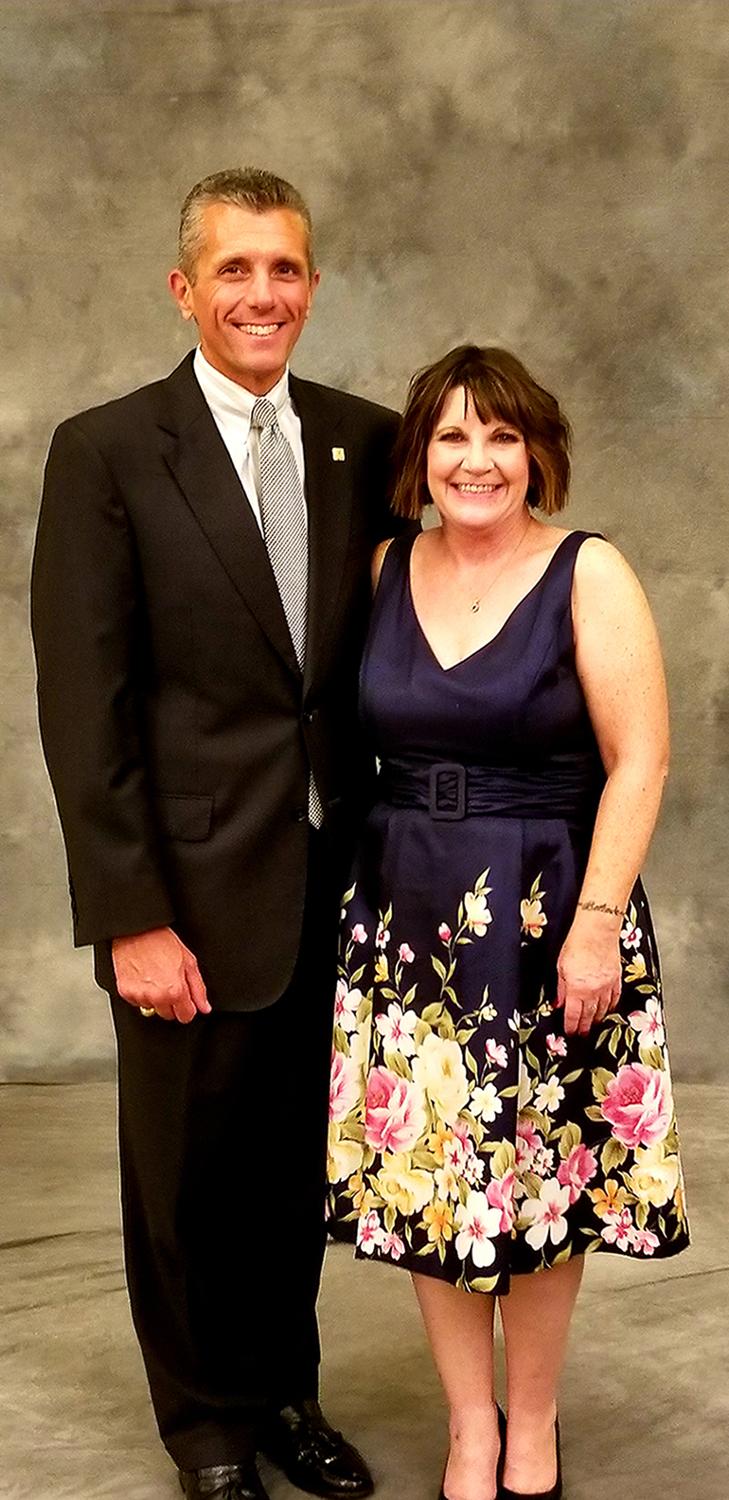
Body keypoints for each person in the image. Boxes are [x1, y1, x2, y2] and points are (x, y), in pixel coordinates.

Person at [30, 167, 401, 1500]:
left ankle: (284, 1392)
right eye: (234, 269)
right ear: (184, 288)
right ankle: (206, 1429)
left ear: (313, 285)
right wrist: (129, 913)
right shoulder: (109, 450)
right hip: (183, 890)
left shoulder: (370, 441)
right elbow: (85, 703)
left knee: (294, 1168)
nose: (262, 293)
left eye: (284, 268)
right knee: (185, 1179)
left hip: (333, 883)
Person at [326, 345, 690, 1500]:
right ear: (420, 457)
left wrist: (595, 925)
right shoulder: (385, 568)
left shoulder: (590, 573)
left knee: (540, 1181)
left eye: (501, 435)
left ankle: (531, 1423)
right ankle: (468, 1427)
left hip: (548, 915)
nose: (476, 459)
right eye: (452, 436)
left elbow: (641, 760)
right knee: (431, 1185)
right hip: (408, 922)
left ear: (537, 454)